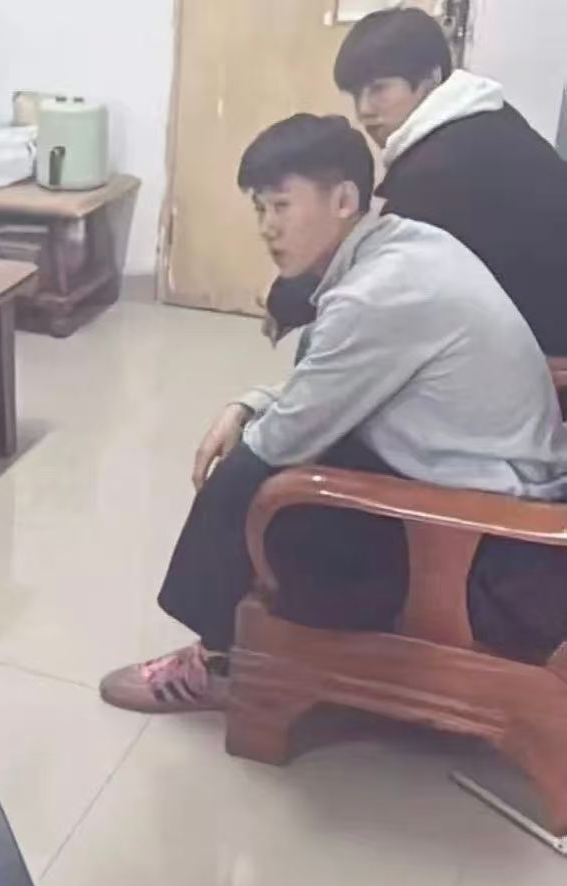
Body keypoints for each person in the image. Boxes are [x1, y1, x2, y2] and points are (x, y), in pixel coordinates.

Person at [100, 114, 567, 714]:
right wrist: (250, 402)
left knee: (258, 486)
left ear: (344, 199)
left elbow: (284, 435)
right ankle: (220, 645)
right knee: (276, 456)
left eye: (281, 206)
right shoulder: (408, 244)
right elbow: (341, 377)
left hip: (495, 556)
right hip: (509, 502)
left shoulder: (379, 293)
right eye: (259, 208)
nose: (267, 227)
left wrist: (250, 431)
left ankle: (221, 658)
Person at [268, 7, 567, 354]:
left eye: (379, 89)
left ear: (431, 78)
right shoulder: (485, 116)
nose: (364, 110)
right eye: (356, 94)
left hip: (546, 354)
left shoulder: (440, 165)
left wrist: (288, 298)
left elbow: (375, 269)